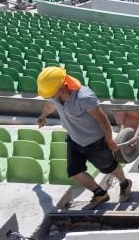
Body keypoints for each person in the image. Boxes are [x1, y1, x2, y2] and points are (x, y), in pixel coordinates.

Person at [36, 66, 132, 208]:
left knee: (109, 167)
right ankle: (100, 193)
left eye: (51, 92)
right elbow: (51, 105)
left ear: (63, 85)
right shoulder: (55, 95)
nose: (50, 95)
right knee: (74, 172)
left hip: (95, 142)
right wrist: (42, 116)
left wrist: (109, 140)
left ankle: (125, 183)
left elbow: (103, 119)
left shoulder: (84, 97)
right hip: (74, 140)